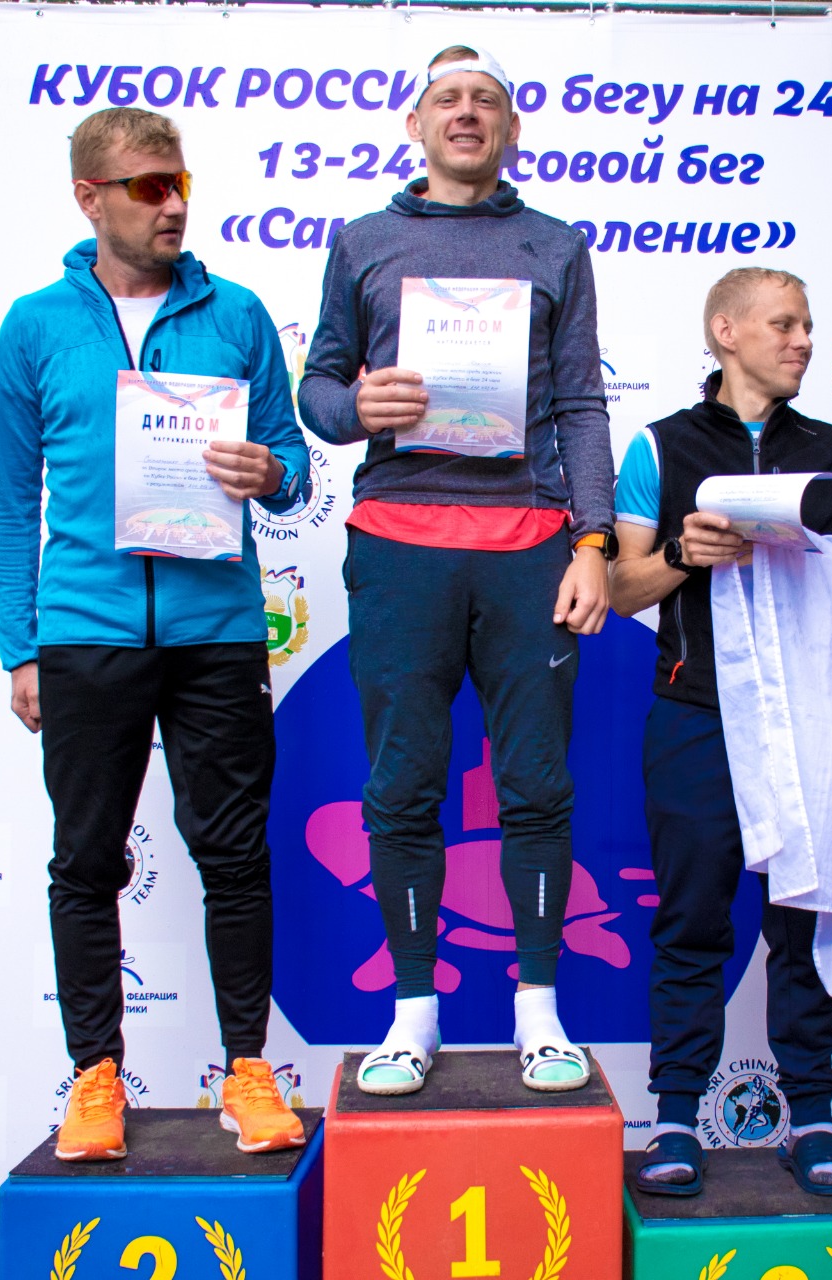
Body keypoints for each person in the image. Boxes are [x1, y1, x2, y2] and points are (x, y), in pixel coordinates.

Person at [0, 107, 310, 1160]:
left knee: (235, 855)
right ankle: (95, 1078)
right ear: (91, 199)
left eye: (181, 184)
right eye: (149, 187)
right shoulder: (35, 325)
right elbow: (7, 499)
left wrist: (272, 471)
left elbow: (294, 466)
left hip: (217, 632)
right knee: (86, 861)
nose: (173, 205)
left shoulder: (237, 313)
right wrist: (21, 645)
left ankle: (248, 1070)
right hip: (87, 633)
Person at [298, 44, 616, 1094]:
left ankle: (541, 1015)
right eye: (447, 98)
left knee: (537, 786)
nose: (466, 112)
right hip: (400, 546)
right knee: (400, 788)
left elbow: (581, 404)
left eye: (486, 99)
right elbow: (318, 391)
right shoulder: (364, 241)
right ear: (417, 124)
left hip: (528, 548)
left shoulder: (555, 244)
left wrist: (593, 540)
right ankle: (411, 1017)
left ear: (511, 129)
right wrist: (358, 406)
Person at [611, 267, 832, 1196]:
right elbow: (620, 588)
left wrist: (805, 547)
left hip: (809, 723)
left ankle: (811, 1117)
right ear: (726, 332)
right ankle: (676, 1118)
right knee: (691, 921)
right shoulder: (661, 445)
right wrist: (686, 553)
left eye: (808, 325)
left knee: (802, 920)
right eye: (785, 324)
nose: (804, 340)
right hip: (697, 715)